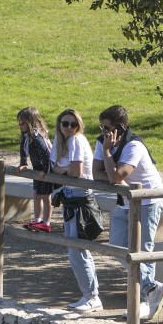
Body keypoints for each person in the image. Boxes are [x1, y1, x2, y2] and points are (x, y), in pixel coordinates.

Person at [93, 105, 163, 320]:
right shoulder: (101, 141)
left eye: (107, 127)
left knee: (143, 249)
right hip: (125, 201)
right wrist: (108, 164)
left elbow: (116, 178)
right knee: (117, 247)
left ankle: (146, 300)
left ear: (120, 127)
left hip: (148, 200)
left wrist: (108, 153)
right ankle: (151, 288)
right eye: (101, 127)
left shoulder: (134, 145)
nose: (103, 132)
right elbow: (95, 172)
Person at [49, 108, 100, 313]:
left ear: (78, 126)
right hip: (69, 198)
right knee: (74, 250)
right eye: (65, 124)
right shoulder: (60, 141)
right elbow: (55, 168)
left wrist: (64, 170)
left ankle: (91, 296)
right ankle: (89, 294)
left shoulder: (77, 140)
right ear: (59, 125)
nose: (69, 128)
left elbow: (76, 171)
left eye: (73, 124)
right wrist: (64, 170)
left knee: (78, 249)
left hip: (80, 200)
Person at [15, 107, 57, 232]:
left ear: (31, 122)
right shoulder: (26, 135)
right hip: (36, 169)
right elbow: (23, 149)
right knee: (36, 195)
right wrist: (23, 163)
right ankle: (37, 219)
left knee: (45, 195)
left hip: (46, 168)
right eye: (19, 122)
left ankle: (46, 222)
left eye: (22, 123)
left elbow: (47, 154)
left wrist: (45, 170)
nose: (20, 125)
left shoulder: (38, 137)